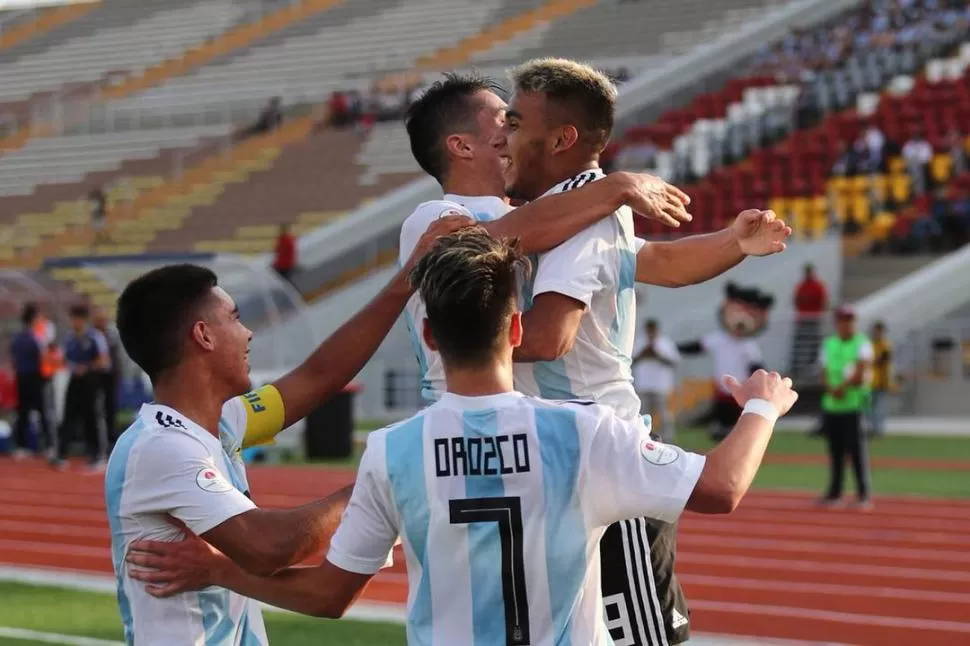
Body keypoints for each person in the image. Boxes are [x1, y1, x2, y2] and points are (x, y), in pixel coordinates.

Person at [125, 230, 800, 645]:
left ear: (427, 338)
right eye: (236, 319)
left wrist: (218, 568)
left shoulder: (390, 454)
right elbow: (721, 485)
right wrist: (763, 408)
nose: (248, 333)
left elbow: (327, 596)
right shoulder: (586, 430)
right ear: (516, 332)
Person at [498, 58, 789, 646]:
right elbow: (660, 263)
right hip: (564, 453)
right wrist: (733, 242)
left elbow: (552, 334)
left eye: (514, 120)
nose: (502, 136)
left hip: (597, 455)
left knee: (636, 636)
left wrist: (459, 346)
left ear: (560, 138)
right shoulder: (585, 207)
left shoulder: (586, 214)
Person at [106, 216, 469, 646]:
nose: (248, 332)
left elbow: (319, 376)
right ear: (203, 336)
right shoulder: (161, 447)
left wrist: (407, 278)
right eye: (235, 319)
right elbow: (267, 547)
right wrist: (379, 479)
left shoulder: (222, 423)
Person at [818, 305, 874, 510]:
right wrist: (830, 389)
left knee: (857, 452)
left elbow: (861, 371)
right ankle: (835, 493)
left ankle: (863, 494)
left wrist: (840, 388)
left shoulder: (862, 343)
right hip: (832, 406)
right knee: (835, 452)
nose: (848, 324)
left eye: (851, 320)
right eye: (844, 320)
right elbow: (823, 370)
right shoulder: (829, 343)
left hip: (853, 405)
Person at [56, 304, 110, 471]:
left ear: (83, 320)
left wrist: (86, 367)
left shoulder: (95, 337)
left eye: (77, 319)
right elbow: (63, 359)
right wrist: (73, 367)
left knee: (92, 417)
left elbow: (104, 360)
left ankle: (97, 454)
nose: (74, 322)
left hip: (91, 380)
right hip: (75, 379)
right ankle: (61, 454)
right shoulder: (70, 338)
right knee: (68, 416)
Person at [9, 303, 53, 459]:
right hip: (34, 378)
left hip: (22, 377)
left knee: (24, 412)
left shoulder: (19, 337)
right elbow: (44, 356)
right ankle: (47, 445)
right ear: (34, 318)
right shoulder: (35, 337)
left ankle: (22, 446)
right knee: (39, 411)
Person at [632, 319, 680, 441]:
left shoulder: (666, 343)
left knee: (665, 415)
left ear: (657, 329)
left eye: (653, 329)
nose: (651, 332)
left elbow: (674, 362)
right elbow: (630, 361)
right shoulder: (638, 342)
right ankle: (642, 439)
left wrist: (658, 355)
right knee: (642, 415)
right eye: (649, 329)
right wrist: (643, 353)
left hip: (661, 386)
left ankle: (668, 440)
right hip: (643, 385)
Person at [92, 307, 122, 450]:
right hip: (95, 377)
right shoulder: (91, 336)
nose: (101, 322)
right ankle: (96, 443)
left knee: (110, 408)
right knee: (95, 409)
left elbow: (116, 356)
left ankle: (111, 439)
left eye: (103, 319)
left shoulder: (112, 335)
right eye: (99, 320)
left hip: (110, 376)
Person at [868, 320, 893, 438]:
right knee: (870, 407)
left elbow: (882, 360)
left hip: (881, 380)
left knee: (879, 407)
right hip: (870, 381)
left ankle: (878, 429)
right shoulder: (871, 344)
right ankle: (872, 428)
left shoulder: (885, 345)